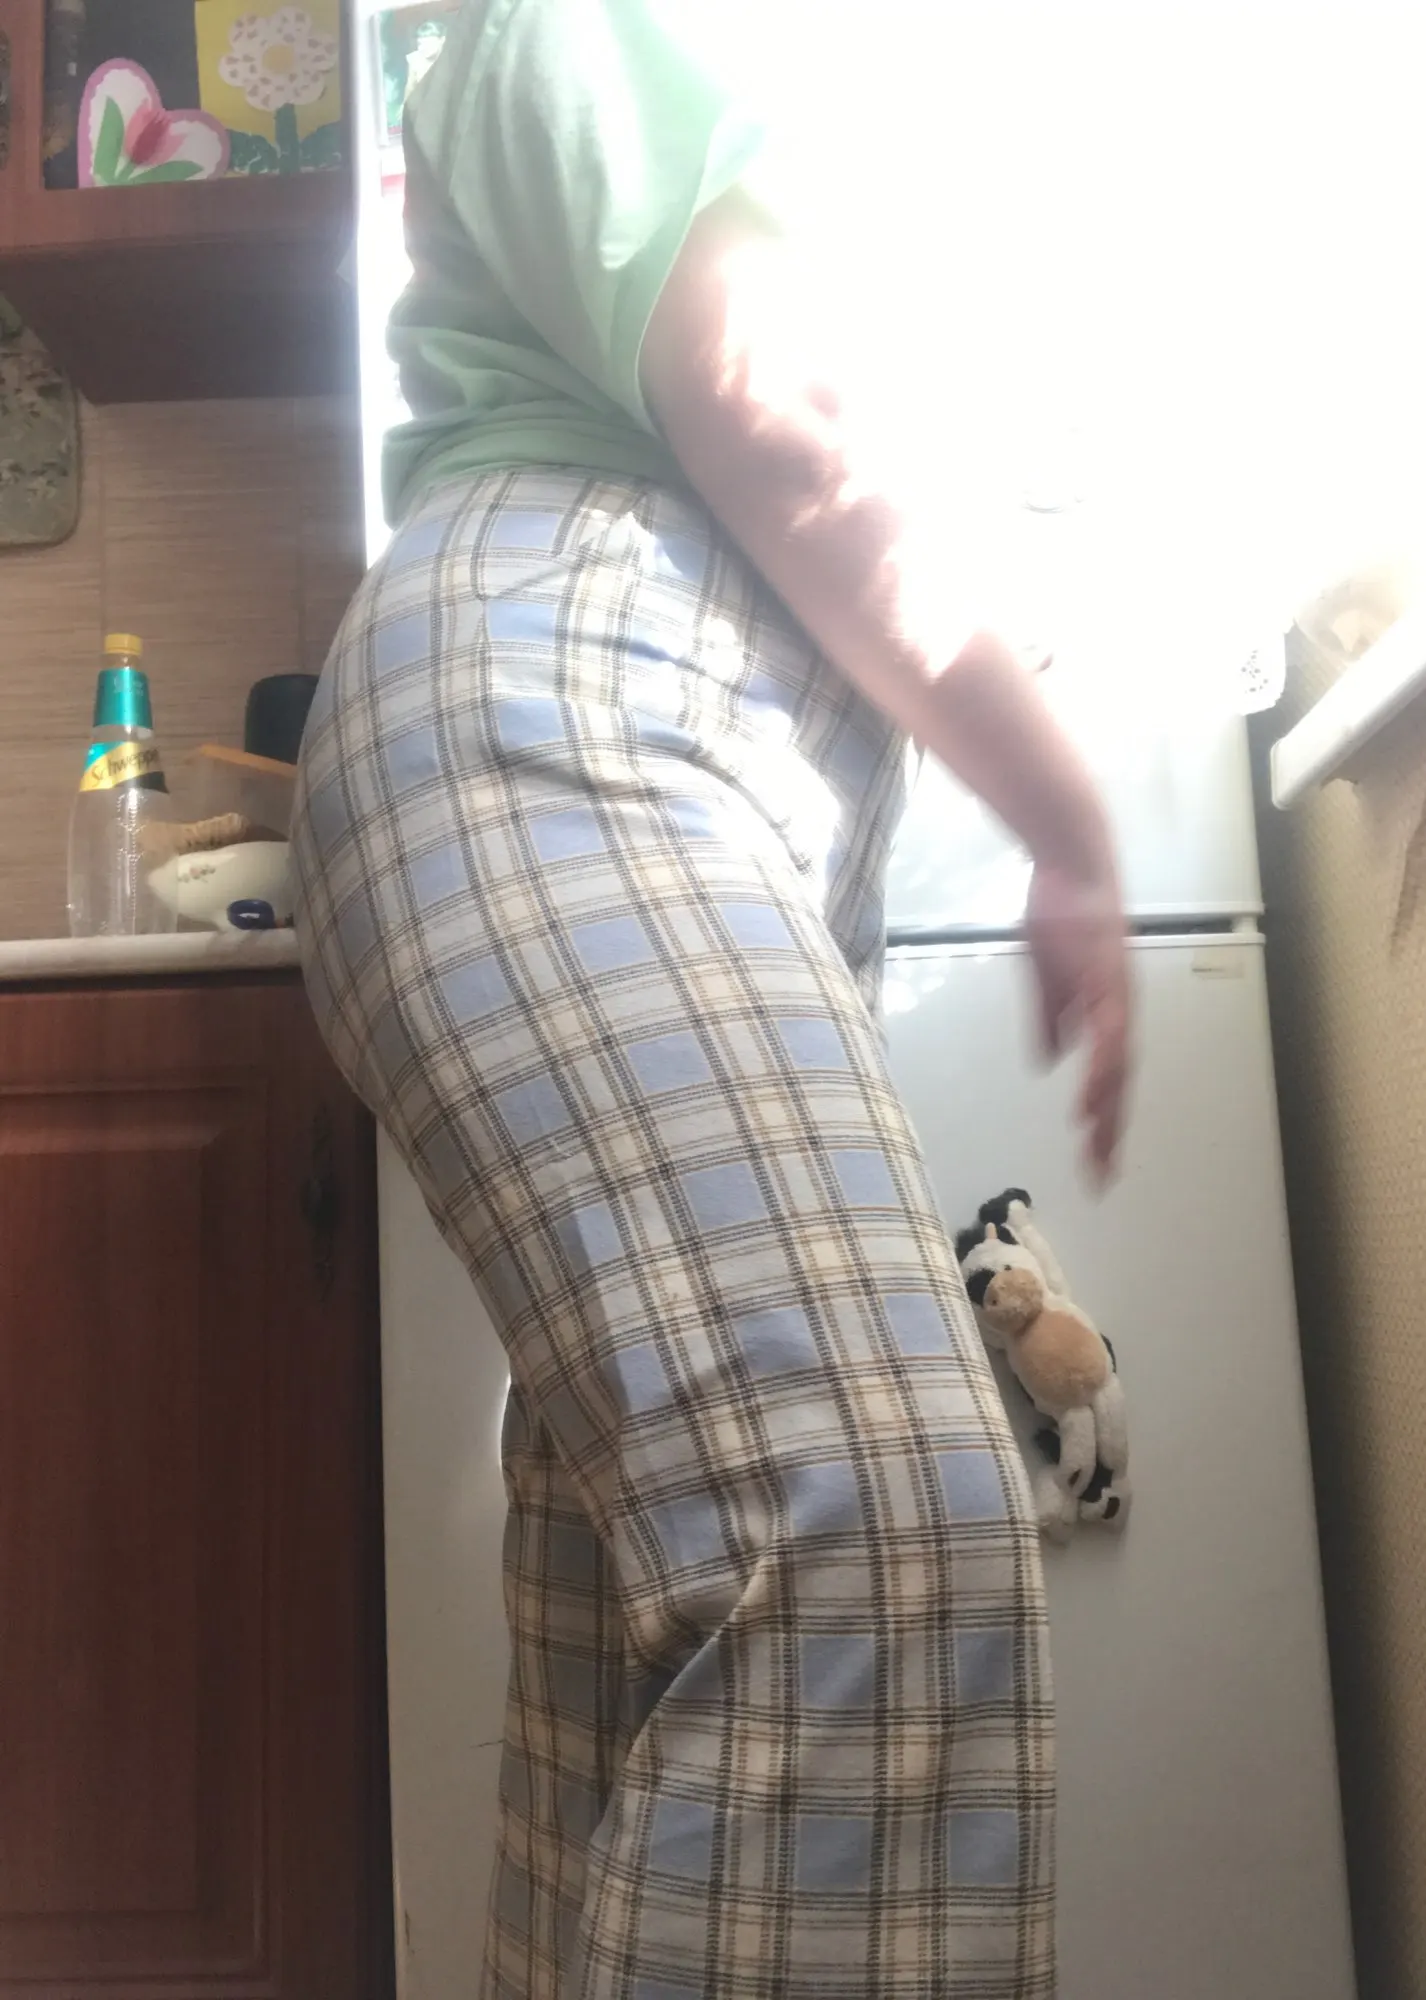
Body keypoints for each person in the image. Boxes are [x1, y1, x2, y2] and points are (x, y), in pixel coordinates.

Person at [291, 3, 1130, 1995]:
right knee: (865, 1527)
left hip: (596, 740)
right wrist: (1067, 821)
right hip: (556, 712)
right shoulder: (581, 18)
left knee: (628, 1656)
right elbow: (781, 427)